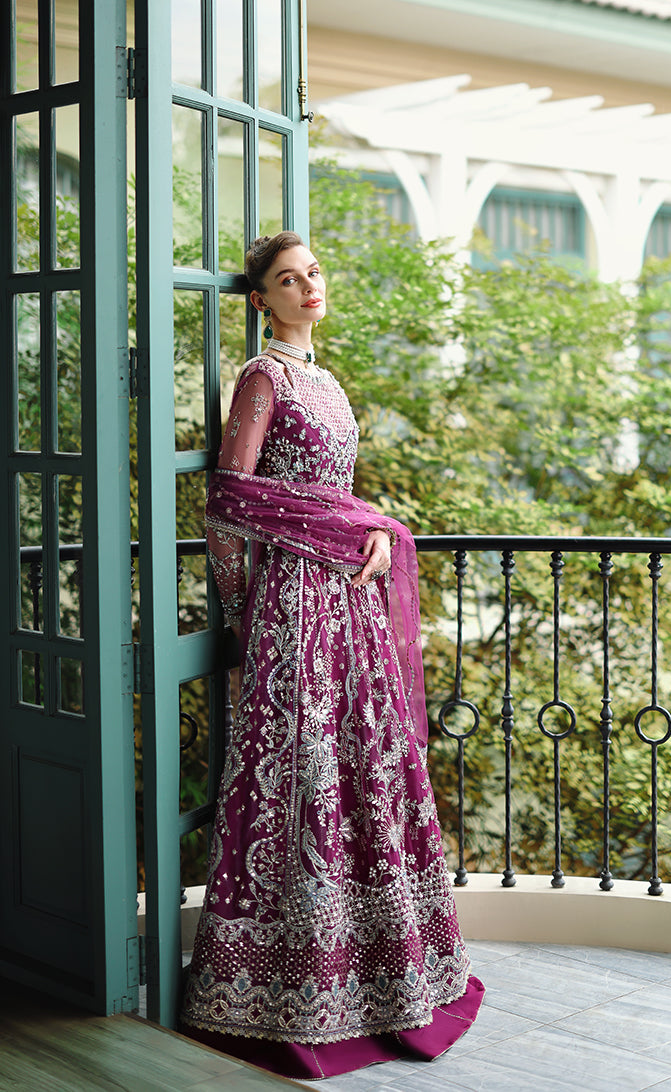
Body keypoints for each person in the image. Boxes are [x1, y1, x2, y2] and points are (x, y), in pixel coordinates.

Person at [179, 231, 483, 1080]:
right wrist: (244, 615)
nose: (308, 286)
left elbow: (333, 496)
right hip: (295, 605)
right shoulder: (264, 378)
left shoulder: (328, 380)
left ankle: (379, 972)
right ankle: (286, 986)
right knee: (305, 773)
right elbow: (230, 499)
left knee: (362, 767)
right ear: (261, 301)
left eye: (312, 272)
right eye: (288, 279)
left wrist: (374, 533)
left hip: (349, 601)